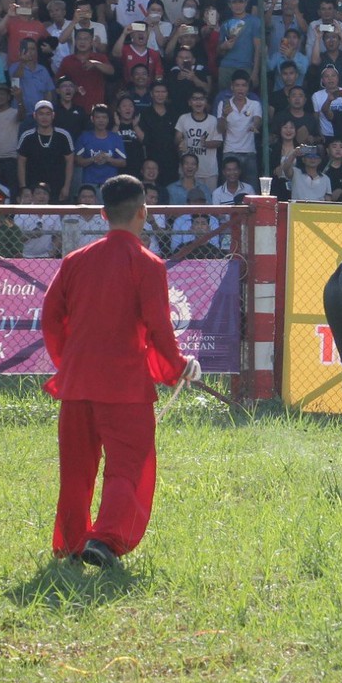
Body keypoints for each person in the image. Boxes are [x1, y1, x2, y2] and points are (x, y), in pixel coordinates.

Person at [38, 174, 200, 570]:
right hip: (125, 386)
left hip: (77, 383)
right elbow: (159, 327)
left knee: (76, 468)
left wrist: (68, 361)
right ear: (143, 212)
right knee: (128, 465)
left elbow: (50, 317)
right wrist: (177, 367)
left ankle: (72, 543)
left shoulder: (75, 261)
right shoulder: (148, 264)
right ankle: (106, 540)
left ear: (102, 213)